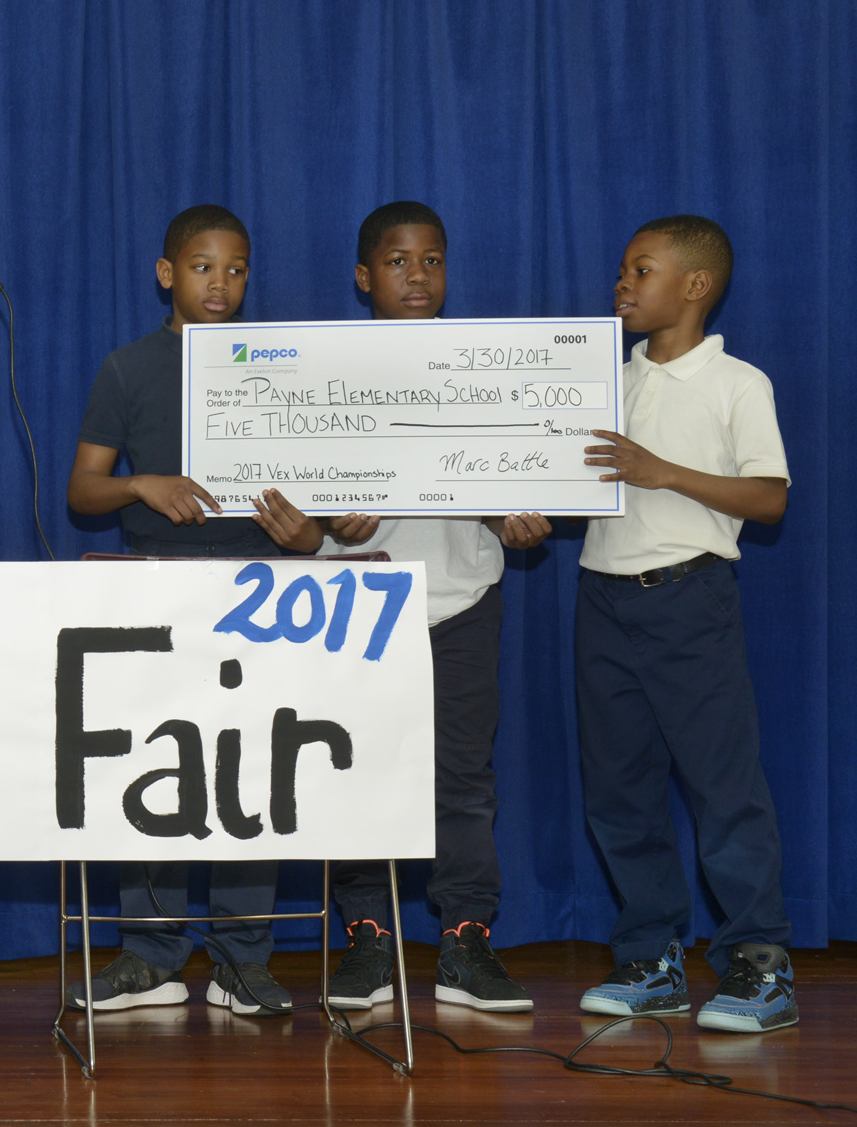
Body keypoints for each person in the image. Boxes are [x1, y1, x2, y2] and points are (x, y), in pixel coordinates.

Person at [253, 202, 547, 1014]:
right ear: (363, 276)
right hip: (353, 606)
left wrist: (514, 512)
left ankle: (465, 943)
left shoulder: (485, 370)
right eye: (397, 261)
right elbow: (298, 515)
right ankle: (368, 942)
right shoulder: (315, 372)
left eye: (431, 261)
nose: (416, 276)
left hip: (460, 601)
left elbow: (515, 483)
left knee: (461, 781)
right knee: (352, 775)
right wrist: (311, 532)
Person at [63, 204, 292, 1017]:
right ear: (168, 274)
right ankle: (151, 955)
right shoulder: (129, 368)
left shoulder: (282, 367)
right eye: (202, 267)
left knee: (247, 773)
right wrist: (140, 484)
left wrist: (307, 529)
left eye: (236, 268)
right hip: (154, 587)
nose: (220, 283)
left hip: (257, 590)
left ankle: (242, 959)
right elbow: (81, 490)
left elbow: (322, 504)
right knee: (156, 765)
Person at [571, 215, 794, 1032]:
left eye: (642, 269)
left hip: (689, 600)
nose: (623, 283)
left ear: (695, 286)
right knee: (619, 790)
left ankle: (760, 963)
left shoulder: (738, 382)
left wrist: (660, 471)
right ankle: (651, 957)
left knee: (722, 788)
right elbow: (574, 481)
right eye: (623, 270)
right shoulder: (603, 381)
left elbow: (769, 496)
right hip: (601, 597)